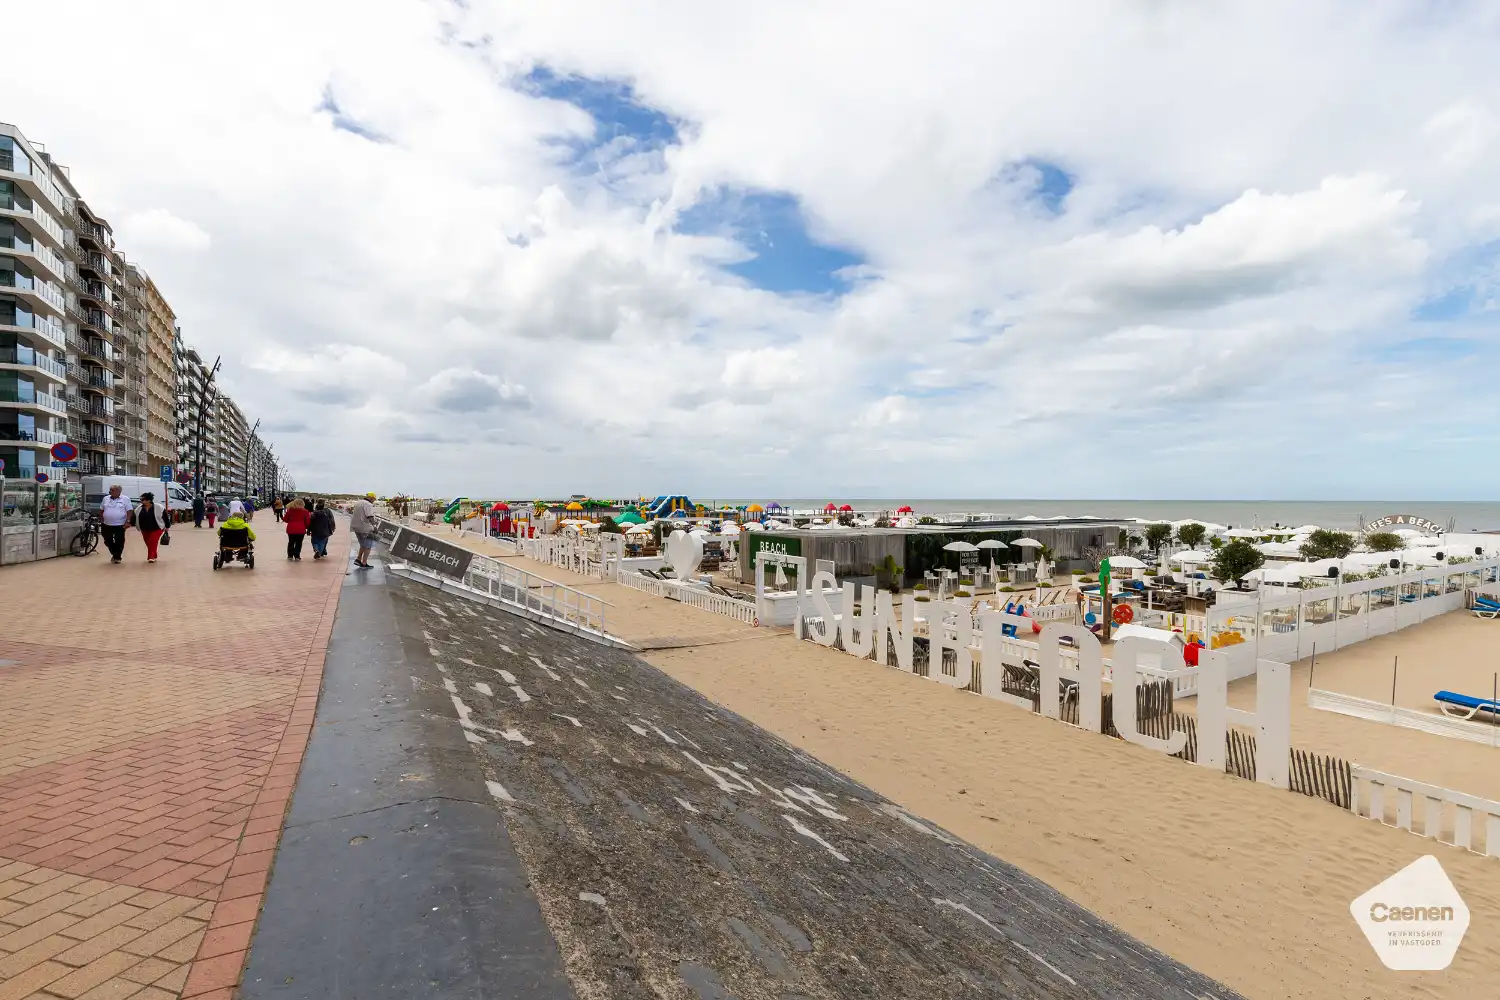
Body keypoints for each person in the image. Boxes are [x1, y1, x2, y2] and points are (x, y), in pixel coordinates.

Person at [99, 484, 131, 564]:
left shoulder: (125, 499)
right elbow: (101, 509)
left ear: (119, 491)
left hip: (120, 524)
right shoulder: (106, 498)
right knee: (107, 540)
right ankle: (115, 553)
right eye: (110, 489)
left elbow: (129, 511)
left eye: (112, 490)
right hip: (106, 524)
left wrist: (128, 521)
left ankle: (117, 557)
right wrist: (101, 518)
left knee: (119, 540)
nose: (110, 491)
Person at [135, 492, 166, 564]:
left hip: (157, 527)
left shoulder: (159, 507)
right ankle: (154, 554)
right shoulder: (138, 509)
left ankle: (151, 557)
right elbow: (135, 518)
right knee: (148, 543)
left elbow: (165, 517)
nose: (141, 501)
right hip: (144, 528)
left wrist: (167, 526)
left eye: (142, 500)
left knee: (152, 541)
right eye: (141, 499)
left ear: (148, 500)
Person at [350, 491, 378, 568]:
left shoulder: (358, 503)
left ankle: (358, 559)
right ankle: (364, 563)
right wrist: (374, 526)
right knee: (368, 546)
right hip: (365, 528)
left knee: (363, 545)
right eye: (374, 499)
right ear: (371, 498)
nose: (373, 501)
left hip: (355, 527)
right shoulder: (368, 504)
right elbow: (370, 516)